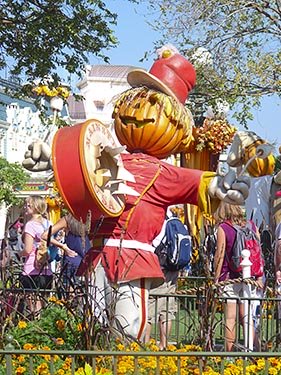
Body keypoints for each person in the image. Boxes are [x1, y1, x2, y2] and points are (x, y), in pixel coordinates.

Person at [213, 201, 263, 351]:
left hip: (229, 277)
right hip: (250, 278)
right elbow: (258, 252)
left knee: (230, 318)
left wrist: (216, 279)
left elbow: (220, 255)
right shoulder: (251, 226)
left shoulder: (224, 228)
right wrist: (259, 276)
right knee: (247, 318)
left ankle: (229, 354)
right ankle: (255, 350)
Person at [19, 195, 76, 314]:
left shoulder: (30, 225)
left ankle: (37, 330)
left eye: (28, 205)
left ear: (34, 207)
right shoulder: (48, 223)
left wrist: (20, 253)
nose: (26, 207)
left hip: (32, 269)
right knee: (45, 306)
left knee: (35, 309)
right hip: (47, 269)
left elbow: (28, 250)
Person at [144, 207, 180, 349]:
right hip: (173, 269)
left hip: (157, 267)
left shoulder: (157, 220)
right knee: (167, 309)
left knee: (149, 307)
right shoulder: (175, 220)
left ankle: (145, 344)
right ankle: (163, 345)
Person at [41, 213, 91, 290]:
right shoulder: (88, 218)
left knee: (70, 295)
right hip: (86, 261)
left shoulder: (67, 219)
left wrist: (63, 246)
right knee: (83, 295)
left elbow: (45, 235)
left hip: (72, 260)